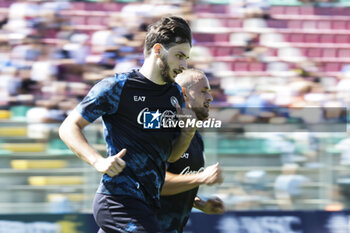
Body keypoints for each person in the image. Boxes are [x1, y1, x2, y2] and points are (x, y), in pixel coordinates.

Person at [59, 16, 195, 233]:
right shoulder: (116, 87)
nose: (183, 65)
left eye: (186, 58)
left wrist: (187, 134)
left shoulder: (175, 94)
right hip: (118, 200)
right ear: (158, 49)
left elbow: (170, 156)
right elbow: (68, 127)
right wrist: (98, 161)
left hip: (148, 204)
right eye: (179, 56)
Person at [157, 69, 225, 233]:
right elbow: (153, 183)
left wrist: (197, 202)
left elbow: (176, 182)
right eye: (203, 91)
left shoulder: (196, 137)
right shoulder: (163, 128)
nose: (210, 97)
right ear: (184, 94)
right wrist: (201, 177)